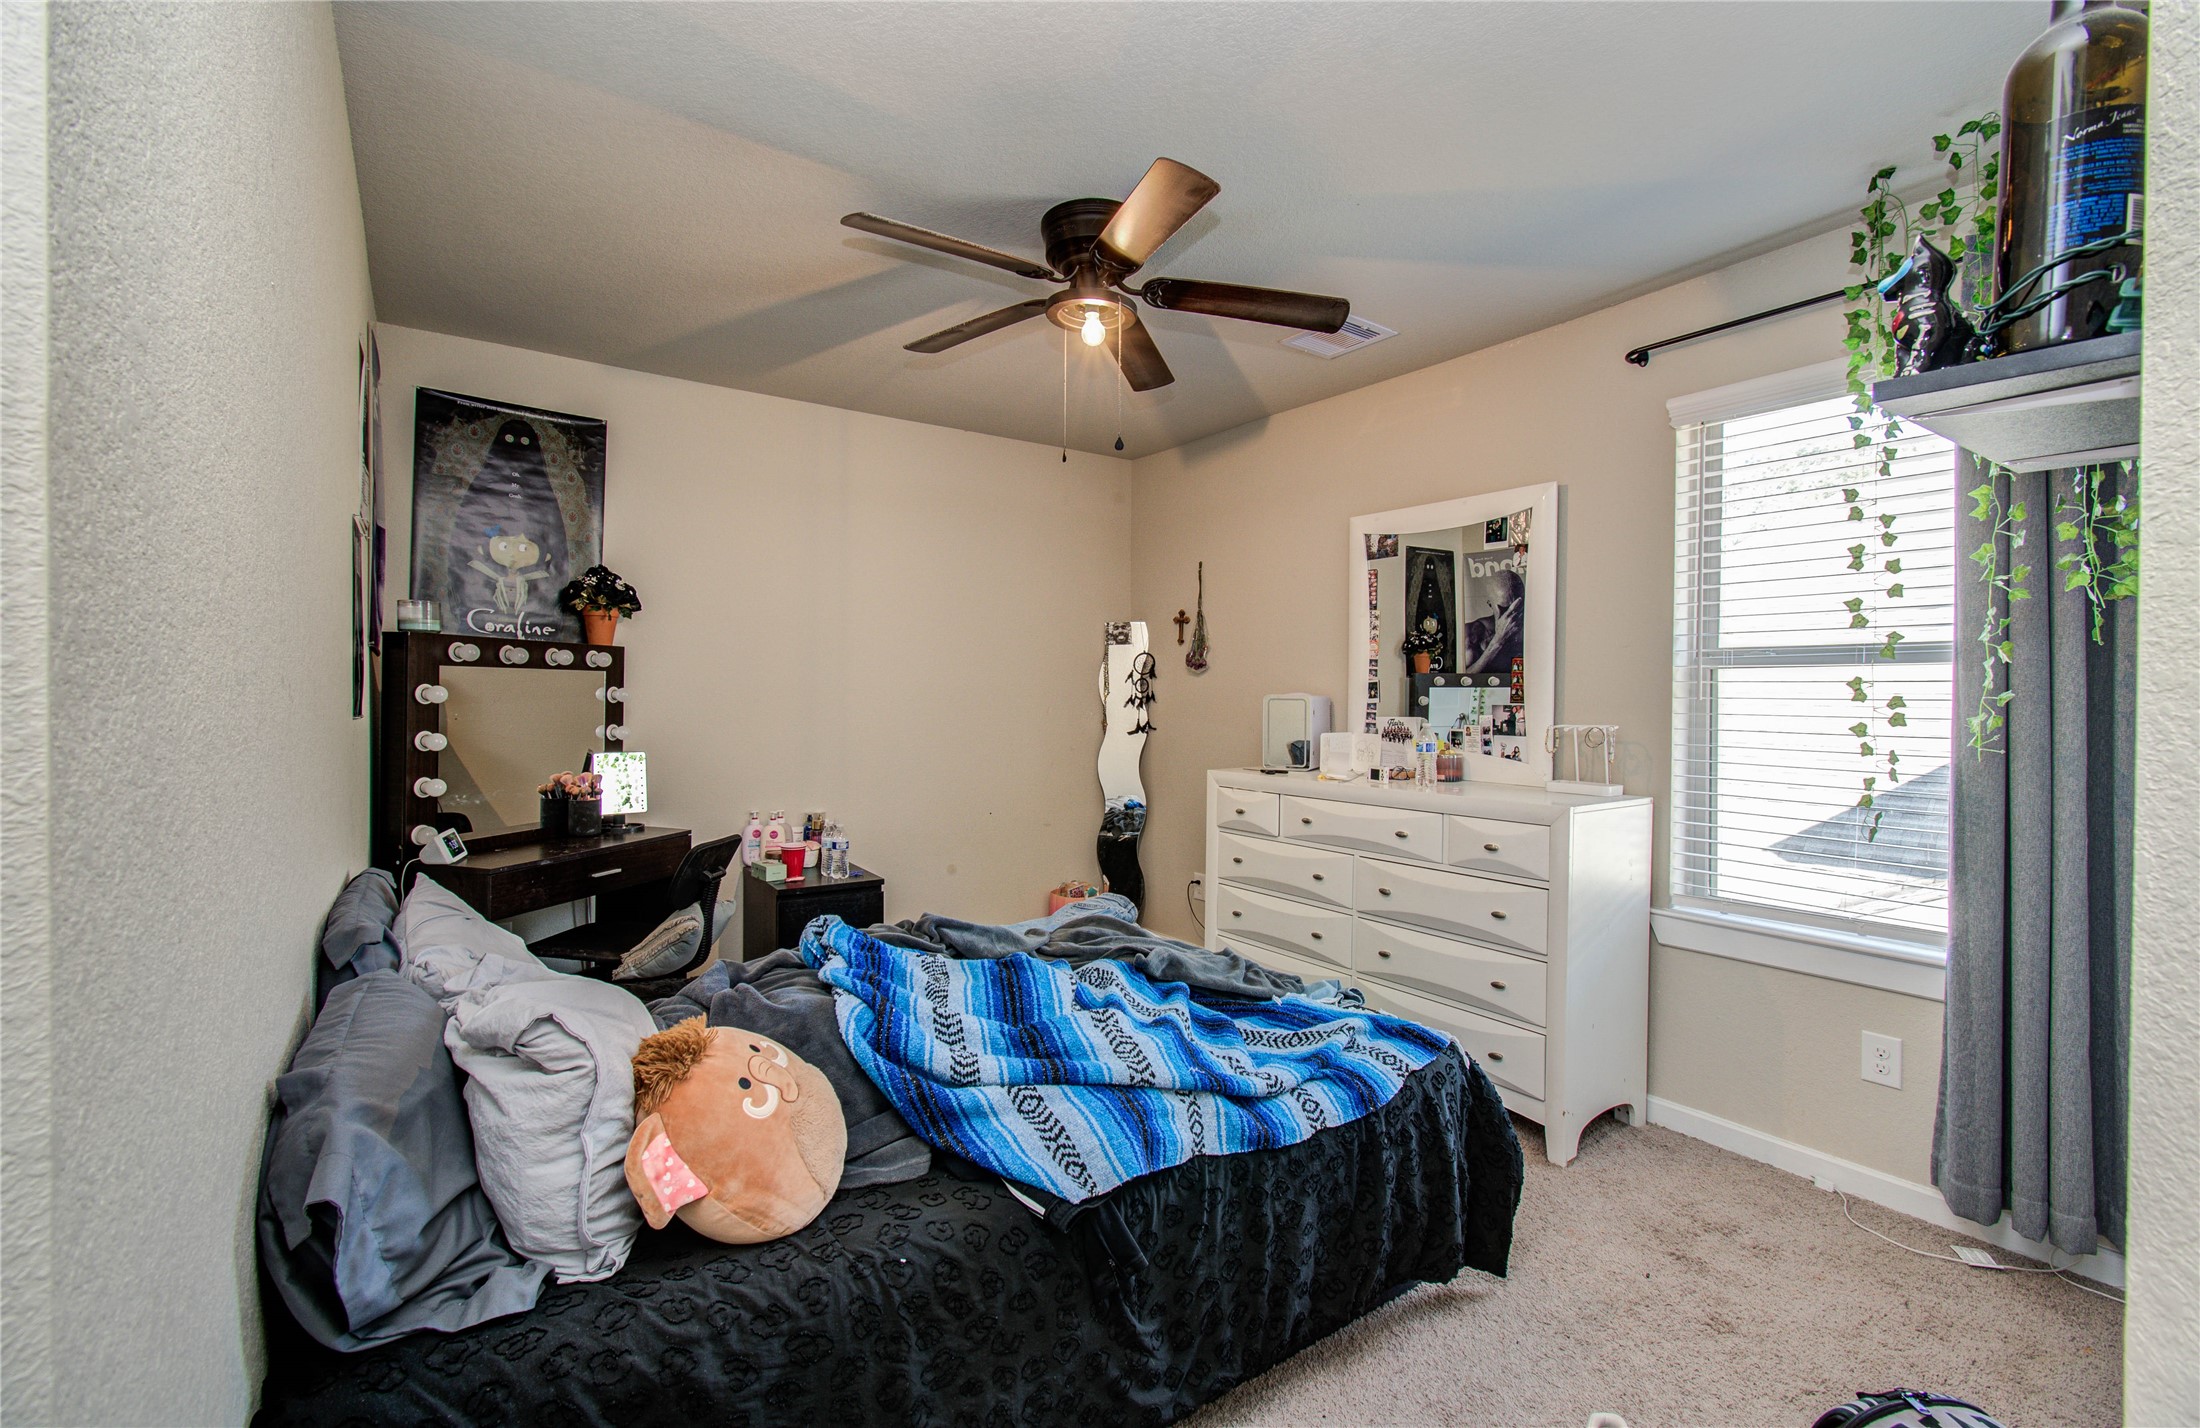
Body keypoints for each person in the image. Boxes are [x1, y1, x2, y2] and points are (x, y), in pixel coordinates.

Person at [1461, 569, 1524, 678]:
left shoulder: (1534, 629)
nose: (1512, 612)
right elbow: (1462, 680)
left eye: (1518, 606)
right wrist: (1498, 640)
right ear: (1490, 604)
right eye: (1505, 608)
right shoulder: (1472, 633)